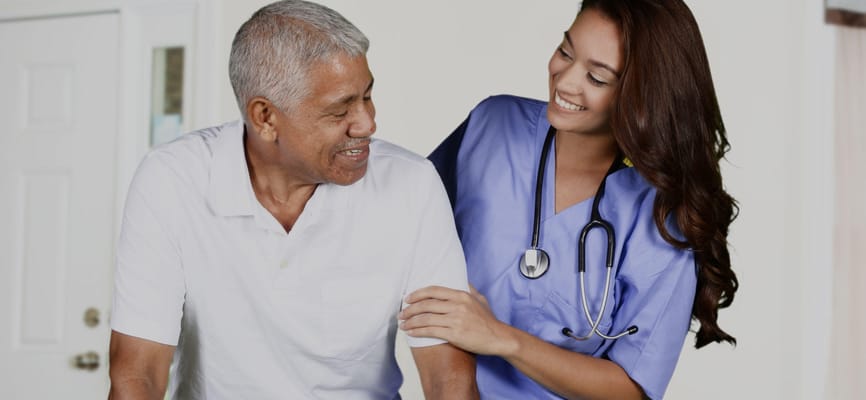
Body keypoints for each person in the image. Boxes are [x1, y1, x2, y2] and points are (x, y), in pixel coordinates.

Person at [107, 1, 479, 399]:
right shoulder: (172, 179)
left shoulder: (412, 184)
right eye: (340, 111)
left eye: (367, 96)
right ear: (265, 117)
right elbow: (137, 372)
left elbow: (448, 377)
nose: (368, 123)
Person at [398, 0, 739, 399]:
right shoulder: (493, 126)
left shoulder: (662, 216)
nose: (566, 82)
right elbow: (403, 224)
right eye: (565, 51)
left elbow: (633, 388)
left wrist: (502, 339)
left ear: (642, 94)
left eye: (596, 77)